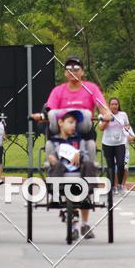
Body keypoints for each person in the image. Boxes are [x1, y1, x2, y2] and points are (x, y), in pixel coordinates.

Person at [32, 56, 110, 237]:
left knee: (88, 159)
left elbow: (103, 107)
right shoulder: (58, 91)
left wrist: (106, 115)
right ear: (65, 73)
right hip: (61, 136)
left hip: (84, 134)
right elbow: (49, 110)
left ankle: (85, 221)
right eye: (69, 68)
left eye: (76, 68)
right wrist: (42, 116)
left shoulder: (91, 88)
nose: (73, 71)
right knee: (59, 161)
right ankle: (71, 218)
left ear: (82, 72)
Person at [46, 110, 97, 240]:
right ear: (60, 123)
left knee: (89, 164)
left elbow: (85, 156)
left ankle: (88, 194)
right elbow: (50, 158)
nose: (74, 125)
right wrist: (52, 159)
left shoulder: (79, 140)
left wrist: (79, 154)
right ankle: (73, 226)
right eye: (70, 122)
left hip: (78, 171)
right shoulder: (53, 142)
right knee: (57, 166)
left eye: (75, 123)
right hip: (61, 173)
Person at [98, 97, 132, 193]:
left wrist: (126, 128)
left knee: (121, 164)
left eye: (116, 104)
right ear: (109, 106)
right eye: (112, 104)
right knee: (111, 166)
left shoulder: (123, 115)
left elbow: (127, 124)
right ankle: (113, 186)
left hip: (120, 143)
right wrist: (107, 120)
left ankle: (121, 184)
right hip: (107, 144)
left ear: (118, 105)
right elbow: (101, 128)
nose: (114, 106)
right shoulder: (103, 115)